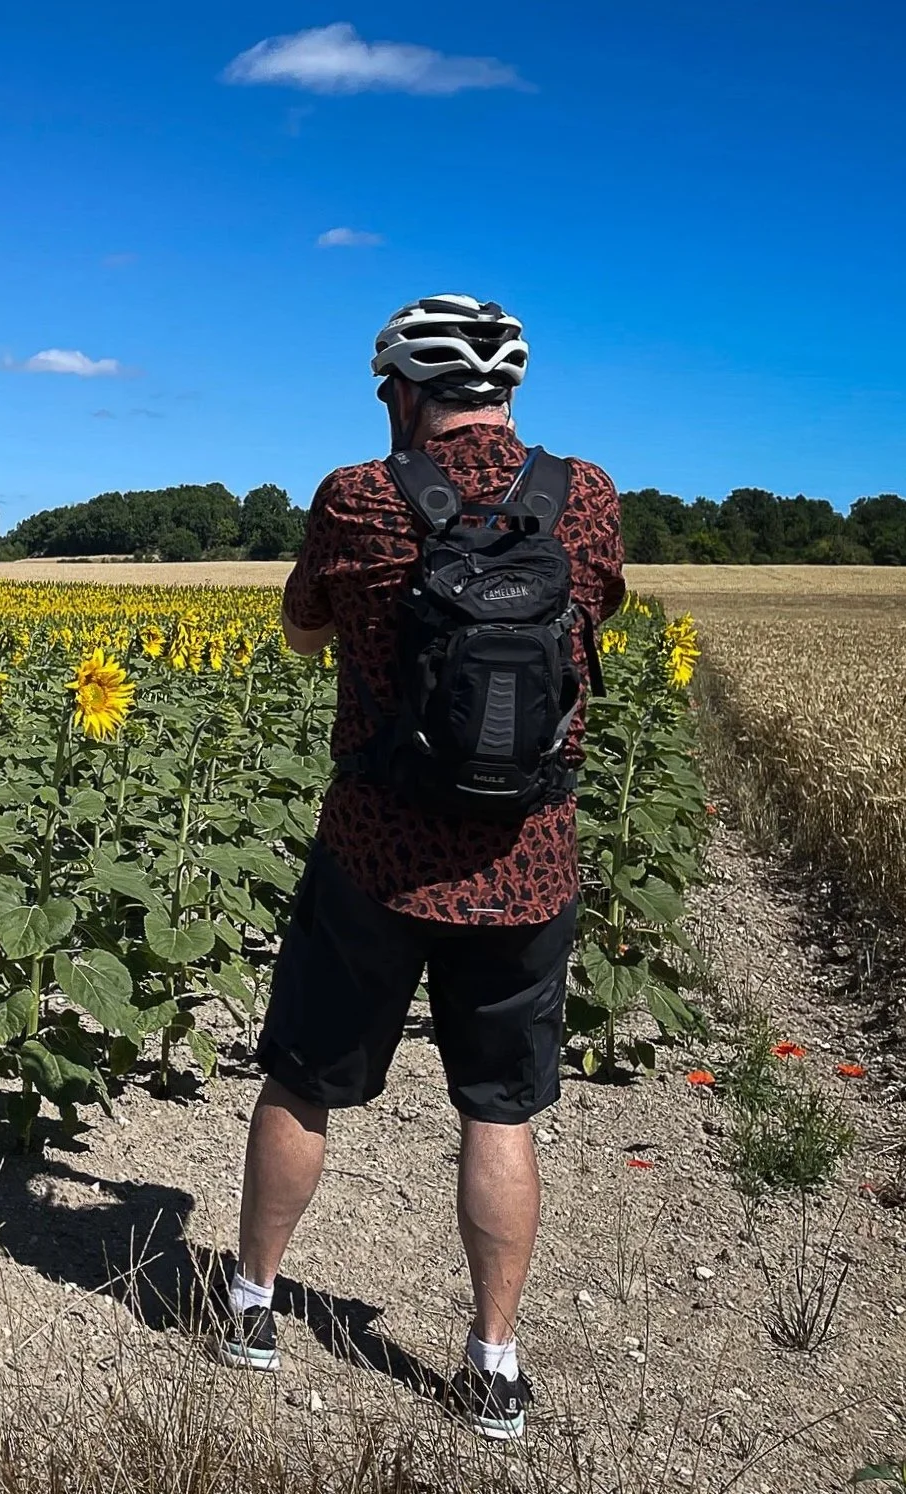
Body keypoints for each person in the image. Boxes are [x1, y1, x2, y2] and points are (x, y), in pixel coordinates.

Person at [217, 294, 626, 1441]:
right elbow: (597, 618)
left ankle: (251, 1304)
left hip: (378, 856)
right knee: (498, 1112)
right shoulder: (583, 495)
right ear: (509, 390)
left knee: (305, 1079)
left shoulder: (361, 495)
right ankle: (493, 1365)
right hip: (527, 862)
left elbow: (303, 628)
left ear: (402, 389)